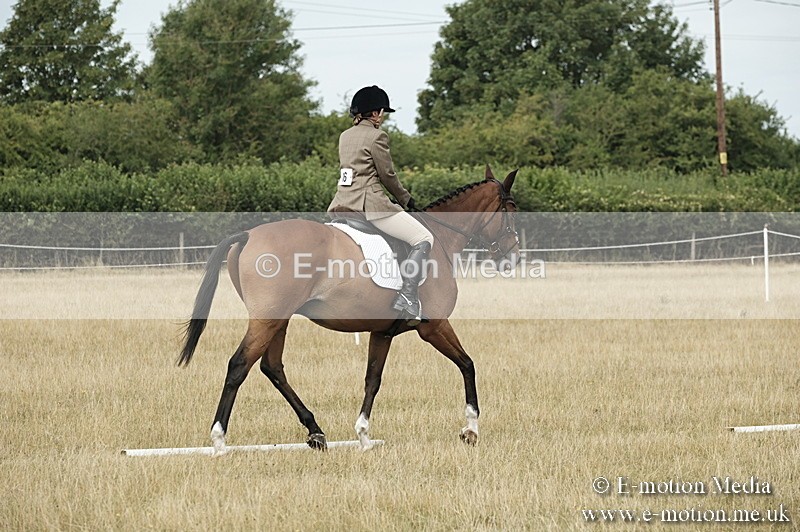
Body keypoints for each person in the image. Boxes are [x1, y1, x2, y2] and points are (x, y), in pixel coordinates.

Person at [327, 85, 434, 326]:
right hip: (370, 205)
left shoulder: (345, 136)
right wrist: (407, 200)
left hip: (343, 203)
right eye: (382, 112)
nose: (383, 117)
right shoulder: (377, 136)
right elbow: (387, 175)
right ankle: (407, 297)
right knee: (423, 238)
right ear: (374, 113)